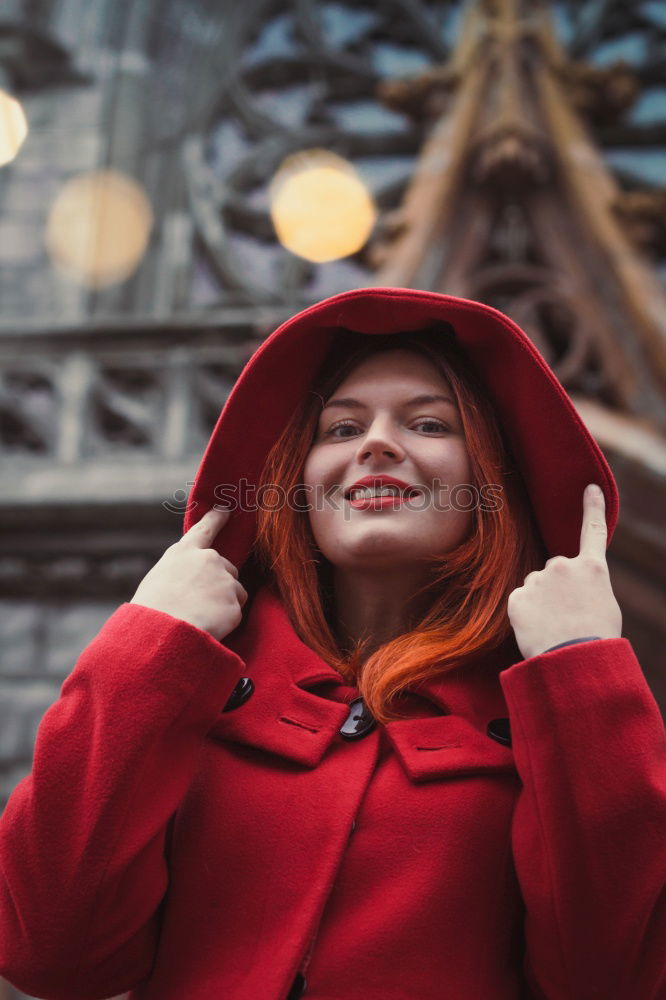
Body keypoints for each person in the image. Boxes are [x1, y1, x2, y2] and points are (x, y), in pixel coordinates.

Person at [0, 287, 664, 1000]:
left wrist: (580, 670)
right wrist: (149, 643)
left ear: (494, 481)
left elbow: (615, 979)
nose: (376, 442)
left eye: (430, 423)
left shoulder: (557, 714)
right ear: (296, 481)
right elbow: (49, 952)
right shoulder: (183, 684)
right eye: (341, 429)